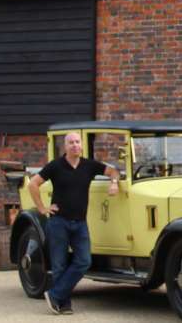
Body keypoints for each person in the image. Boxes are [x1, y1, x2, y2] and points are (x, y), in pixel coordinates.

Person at [28, 131, 120, 315]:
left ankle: (55, 295)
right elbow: (33, 184)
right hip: (59, 222)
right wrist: (42, 208)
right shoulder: (55, 166)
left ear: (82, 145)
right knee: (60, 264)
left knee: (84, 261)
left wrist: (114, 183)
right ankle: (63, 304)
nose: (75, 145)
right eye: (71, 143)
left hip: (80, 224)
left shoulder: (89, 165)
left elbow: (113, 171)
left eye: (78, 142)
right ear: (65, 146)